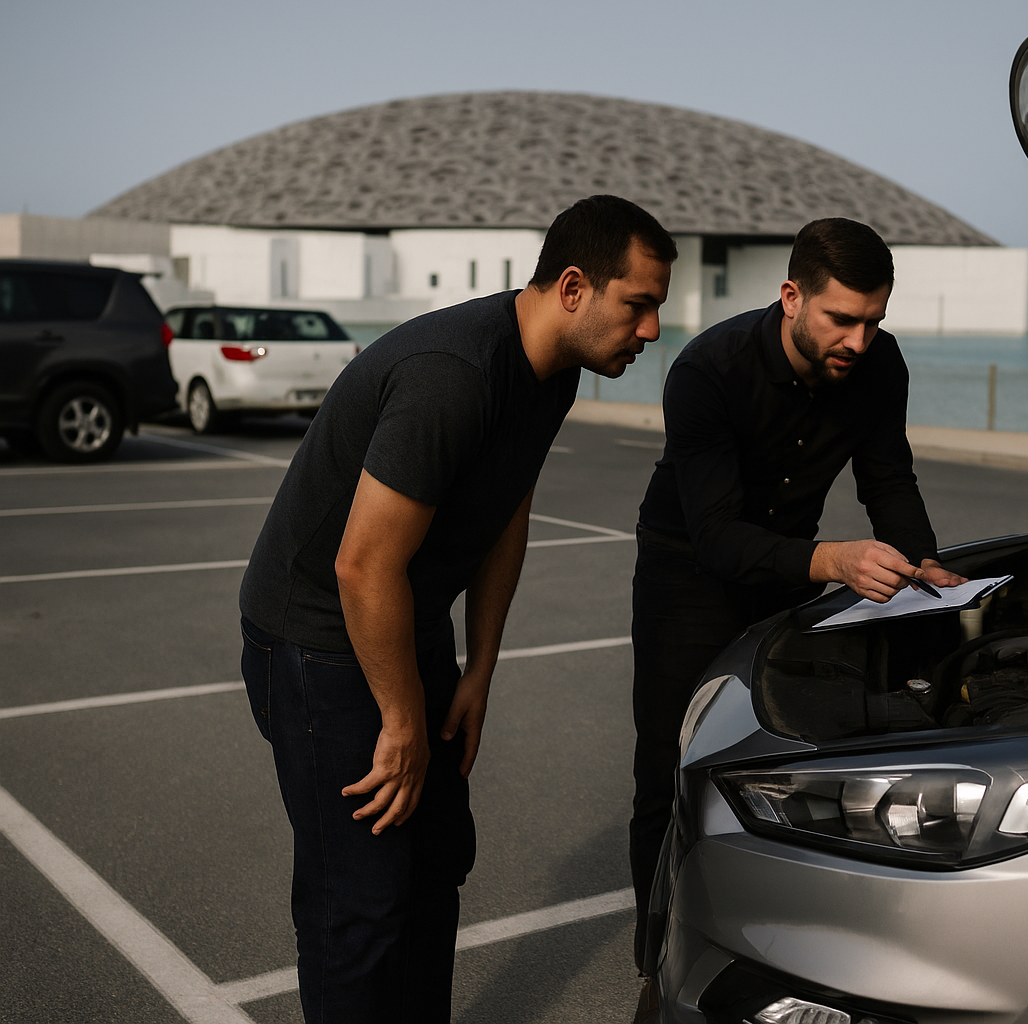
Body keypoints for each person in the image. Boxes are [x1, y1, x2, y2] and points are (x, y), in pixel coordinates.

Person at [237, 195, 676, 1023]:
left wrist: (478, 670)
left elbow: (507, 513)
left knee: (436, 861)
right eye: (639, 304)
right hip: (317, 640)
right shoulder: (455, 374)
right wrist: (403, 723)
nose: (652, 330)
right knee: (359, 903)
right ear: (574, 288)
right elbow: (361, 566)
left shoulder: (553, 376)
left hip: (403, 620)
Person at [627, 217, 966, 1015]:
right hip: (687, 571)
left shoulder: (879, 367)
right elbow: (714, 536)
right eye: (841, 319)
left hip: (787, 565)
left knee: (786, 759)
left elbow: (889, 480)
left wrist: (927, 571)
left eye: (874, 320)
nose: (859, 338)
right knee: (669, 768)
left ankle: (785, 945)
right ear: (791, 297)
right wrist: (837, 560)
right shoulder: (706, 370)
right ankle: (655, 962)